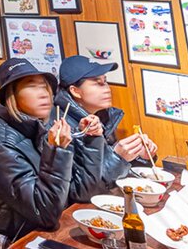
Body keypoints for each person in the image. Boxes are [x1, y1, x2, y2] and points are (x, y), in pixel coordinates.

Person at [0, 58, 103, 244]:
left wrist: (91, 140)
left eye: (44, 86)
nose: (43, 94)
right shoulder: (2, 144)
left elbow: (83, 193)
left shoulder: (43, 124)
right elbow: (45, 213)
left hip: (45, 230)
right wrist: (56, 152)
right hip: (14, 237)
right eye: (31, 86)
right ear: (12, 95)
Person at [55, 56, 156, 194]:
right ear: (75, 91)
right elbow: (80, 190)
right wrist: (118, 157)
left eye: (105, 81)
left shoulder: (103, 116)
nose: (107, 89)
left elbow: (113, 171)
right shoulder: (62, 127)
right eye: (98, 83)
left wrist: (140, 156)